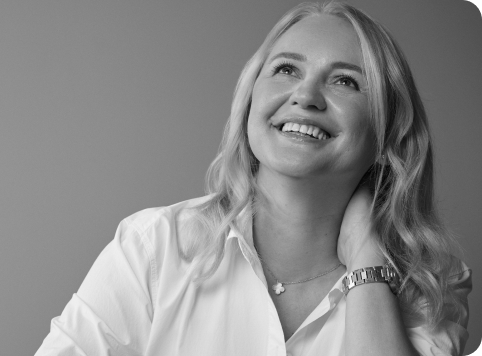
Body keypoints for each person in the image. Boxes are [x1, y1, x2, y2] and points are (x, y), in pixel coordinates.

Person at [34, 2, 471, 355]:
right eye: (286, 69)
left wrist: (367, 262)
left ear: (387, 130)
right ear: (250, 99)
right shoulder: (154, 247)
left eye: (345, 81)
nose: (305, 96)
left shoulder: (432, 287)